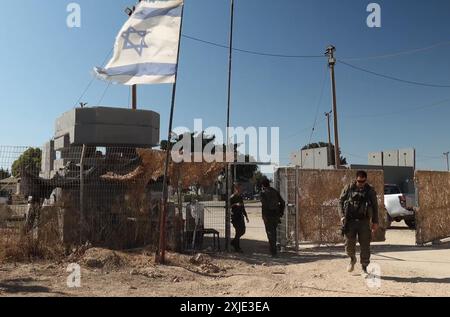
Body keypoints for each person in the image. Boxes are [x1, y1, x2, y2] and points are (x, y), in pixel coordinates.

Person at [339, 170, 379, 275]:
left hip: (364, 222)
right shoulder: (349, 188)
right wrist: (342, 216)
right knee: (349, 245)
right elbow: (340, 201)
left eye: (363, 181)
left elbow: (375, 207)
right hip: (350, 221)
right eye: (359, 181)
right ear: (356, 179)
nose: (361, 183)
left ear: (365, 180)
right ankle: (352, 259)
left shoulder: (369, 191)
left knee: (365, 245)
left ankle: (364, 267)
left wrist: (375, 221)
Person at [260, 178, 285, 257]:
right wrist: (281, 213)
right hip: (276, 215)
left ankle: (274, 252)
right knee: (273, 232)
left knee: (270, 234)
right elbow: (283, 202)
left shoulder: (263, 193)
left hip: (268, 215)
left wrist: (263, 216)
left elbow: (264, 206)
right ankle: (273, 250)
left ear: (263, 185)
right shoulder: (275, 191)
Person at [230, 183, 249, 252]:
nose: (240, 190)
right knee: (238, 232)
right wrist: (235, 204)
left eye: (241, 188)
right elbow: (228, 207)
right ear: (236, 189)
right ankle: (237, 248)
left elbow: (243, 207)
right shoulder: (232, 197)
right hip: (235, 217)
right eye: (239, 188)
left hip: (240, 217)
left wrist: (246, 216)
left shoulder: (240, 197)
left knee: (243, 231)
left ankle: (233, 242)